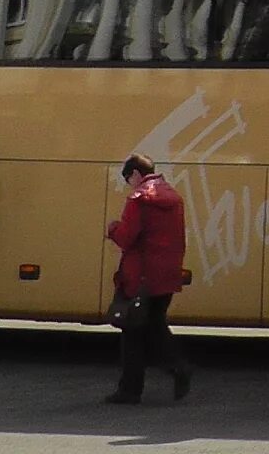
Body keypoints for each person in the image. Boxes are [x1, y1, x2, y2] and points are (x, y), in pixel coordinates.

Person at [103, 153, 191, 405]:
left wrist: (112, 229)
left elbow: (127, 237)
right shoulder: (173, 196)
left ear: (135, 174)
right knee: (154, 326)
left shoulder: (138, 199)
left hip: (140, 276)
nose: (128, 184)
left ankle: (132, 389)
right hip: (166, 275)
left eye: (127, 178)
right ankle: (175, 368)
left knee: (132, 332)